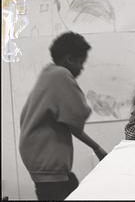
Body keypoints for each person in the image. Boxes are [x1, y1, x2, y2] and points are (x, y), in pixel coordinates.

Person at [19, 31, 107, 200]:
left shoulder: (48, 73)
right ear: (69, 59)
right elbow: (79, 111)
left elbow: (69, 123)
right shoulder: (60, 75)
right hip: (47, 163)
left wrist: (96, 148)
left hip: (40, 161)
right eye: (81, 62)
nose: (82, 68)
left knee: (72, 186)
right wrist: (97, 148)